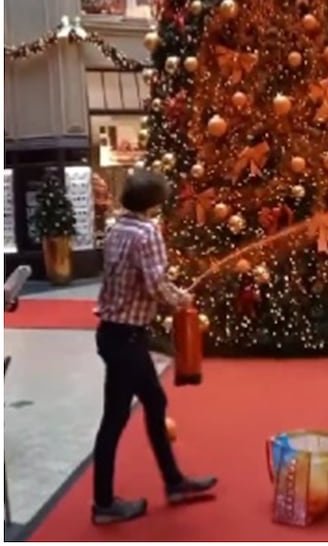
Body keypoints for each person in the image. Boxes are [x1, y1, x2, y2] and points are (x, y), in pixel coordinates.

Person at [92, 169, 216, 524]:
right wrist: (181, 299)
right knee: (114, 420)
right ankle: (103, 504)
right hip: (127, 336)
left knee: (155, 402)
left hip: (114, 333)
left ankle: (174, 482)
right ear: (155, 201)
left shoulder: (118, 227)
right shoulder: (148, 232)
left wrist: (169, 291)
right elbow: (155, 285)